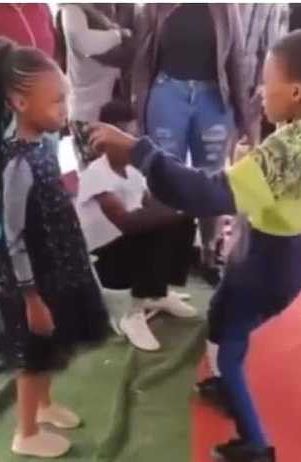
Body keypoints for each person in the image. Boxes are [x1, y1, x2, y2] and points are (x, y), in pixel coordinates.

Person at [92, 28, 301, 462]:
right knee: (227, 319)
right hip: (295, 261)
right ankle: (221, 384)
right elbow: (291, 150)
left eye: (265, 80)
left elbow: (208, 194)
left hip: (263, 266)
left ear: (294, 91)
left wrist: (140, 152)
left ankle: (255, 443)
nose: (257, 90)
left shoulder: (283, 152)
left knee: (227, 339)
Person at [0, 38, 109, 459]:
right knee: (33, 352)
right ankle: (25, 432)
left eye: (66, 100)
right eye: (57, 101)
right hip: (32, 277)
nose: (65, 110)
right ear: (19, 102)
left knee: (52, 342)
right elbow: (16, 235)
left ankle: (43, 406)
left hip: (57, 265)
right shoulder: (17, 162)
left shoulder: (43, 146)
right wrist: (31, 296)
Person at [132, 4, 252, 286]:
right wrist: (137, 109)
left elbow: (236, 58)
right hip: (166, 94)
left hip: (213, 98)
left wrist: (245, 116)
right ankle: (164, 256)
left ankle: (209, 253)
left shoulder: (225, 8)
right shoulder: (155, 7)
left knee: (210, 178)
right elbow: (140, 59)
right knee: (161, 176)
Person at [76, 100, 197, 351]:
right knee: (155, 228)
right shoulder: (95, 174)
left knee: (181, 221)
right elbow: (126, 222)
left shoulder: (133, 172)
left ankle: (158, 294)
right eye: (121, 134)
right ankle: (134, 314)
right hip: (103, 262)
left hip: (127, 249)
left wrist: (180, 208)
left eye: (131, 134)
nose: (129, 141)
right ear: (102, 138)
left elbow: (153, 205)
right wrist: (174, 209)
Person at [58, 4, 132, 124]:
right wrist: (119, 35)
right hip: (87, 109)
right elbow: (84, 44)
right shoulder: (72, 9)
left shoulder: (127, 8)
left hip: (121, 104)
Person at [240, 3, 288, 141]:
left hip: (249, 86)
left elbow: (272, 50)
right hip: (211, 82)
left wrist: (262, 90)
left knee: (247, 145)